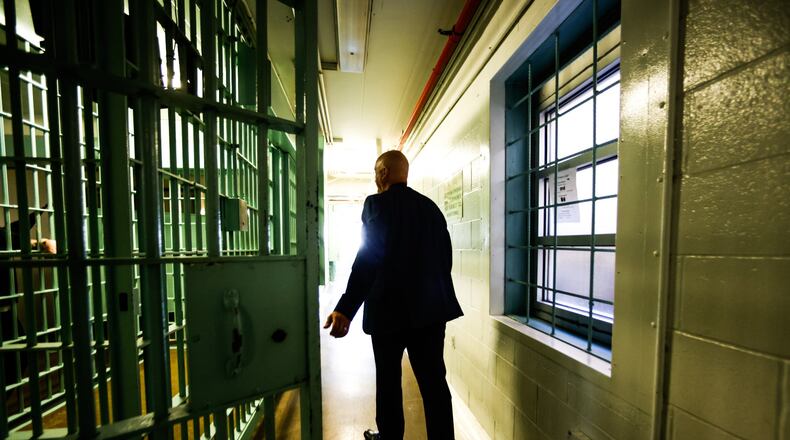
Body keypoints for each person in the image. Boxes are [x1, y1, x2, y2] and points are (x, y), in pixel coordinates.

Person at [324, 150, 463, 439]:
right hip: (430, 313)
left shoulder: (376, 204)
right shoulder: (430, 208)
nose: (376, 177)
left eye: (377, 171)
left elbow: (369, 257)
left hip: (389, 314)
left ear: (384, 173)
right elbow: (445, 258)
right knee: (435, 384)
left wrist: (346, 308)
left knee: (389, 383)